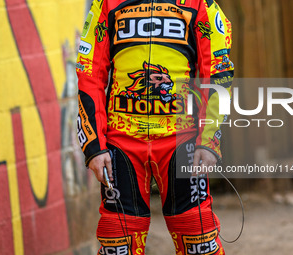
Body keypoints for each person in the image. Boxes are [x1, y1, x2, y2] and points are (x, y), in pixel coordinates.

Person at [76, 0, 234, 254]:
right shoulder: (106, 3)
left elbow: (217, 74)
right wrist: (94, 146)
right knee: (117, 240)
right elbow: (89, 72)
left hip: (182, 141)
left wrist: (209, 140)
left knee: (198, 238)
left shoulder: (200, 4)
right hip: (121, 142)